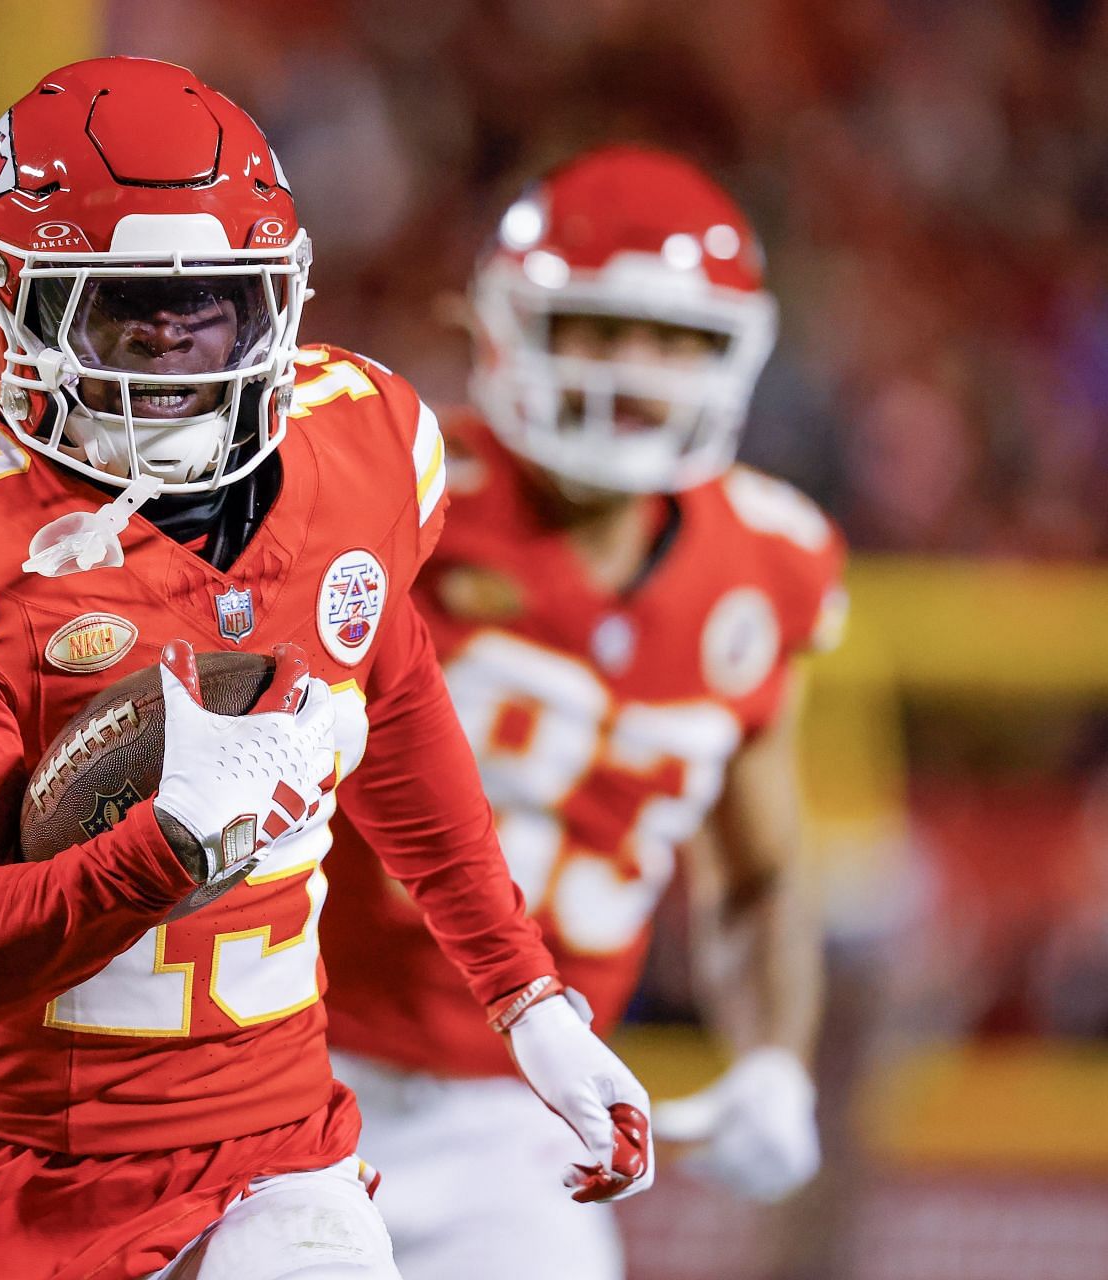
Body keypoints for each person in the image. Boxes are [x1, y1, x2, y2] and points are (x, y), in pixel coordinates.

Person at [0, 58, 653, 1280]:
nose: (176, 353)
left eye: (215, 307)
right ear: (9, 308)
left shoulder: (353, 449)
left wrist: (528, 998)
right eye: (125, 311)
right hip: (8, 1163)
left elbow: (391, 697)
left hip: (275, 1156)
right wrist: (155, 854)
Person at [318, 145, 847, 1279]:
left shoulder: (770, 564)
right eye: (603, 328)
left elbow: (757, 872)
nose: (637, 372)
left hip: (529, 1113)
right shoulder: (392, 489)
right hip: (286, 1063)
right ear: (507, 324)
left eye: (675, 339)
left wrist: (775, 1060)